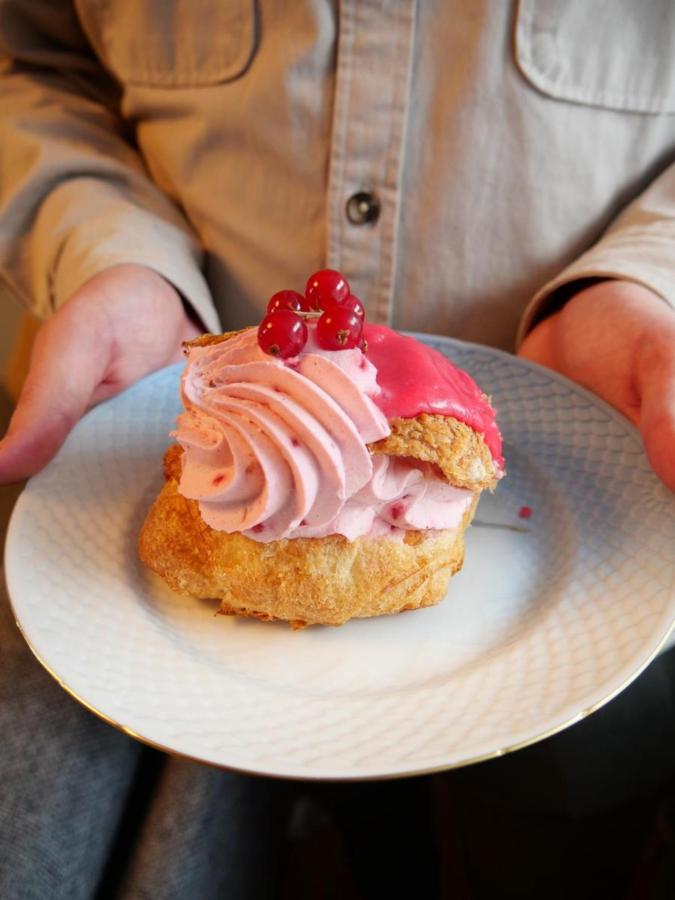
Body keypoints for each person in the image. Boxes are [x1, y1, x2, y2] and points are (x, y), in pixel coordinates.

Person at [0, 2, 674, 897]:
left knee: (550, 837)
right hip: (203, 390)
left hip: (585, 434)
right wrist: (107, 249)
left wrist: (649, 277)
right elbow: (29, 63)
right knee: (279, 834)